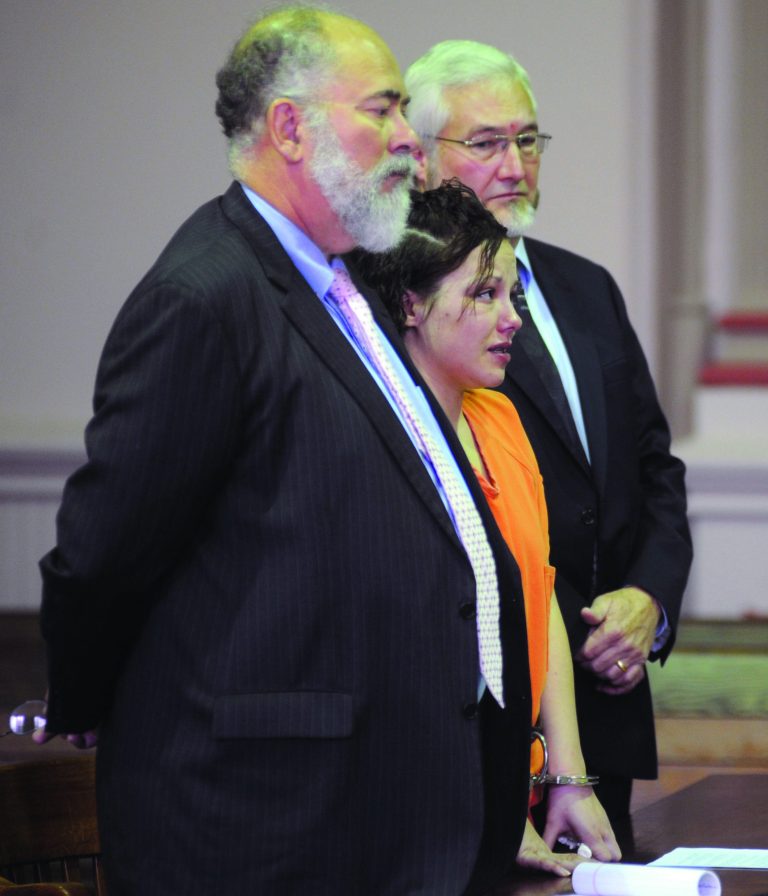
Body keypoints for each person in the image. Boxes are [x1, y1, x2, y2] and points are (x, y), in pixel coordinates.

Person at [35, 11, 535, 896]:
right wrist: (89, 703)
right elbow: (104, 552)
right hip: (266, 823)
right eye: (381, 112)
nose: (408, 149)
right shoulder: (207, 297)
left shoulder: (346, 285)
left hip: (376, 814)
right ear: (291, 128)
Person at [404, 41, 693, 830]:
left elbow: (652, 468)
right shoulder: (409, 307)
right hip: (495, 711)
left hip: (609, 707)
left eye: (528, 140)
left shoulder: (585, 286)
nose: (515, 163)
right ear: (421, 160)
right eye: (487, 142)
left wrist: (649, 602)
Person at [353, 180, 621, 876]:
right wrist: (482, 810)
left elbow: (541, 596)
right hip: (421, 809)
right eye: (483, 295)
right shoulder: (374, 442)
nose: (512, 320)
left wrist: (567, 776)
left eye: (511, 295)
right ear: (410, 303)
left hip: (514, 787)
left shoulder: (499, 417)